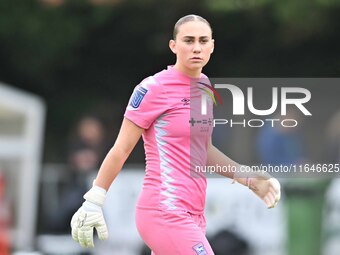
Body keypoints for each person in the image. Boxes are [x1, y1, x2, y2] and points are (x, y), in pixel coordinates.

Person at [70, 14, 281, 254]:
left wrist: (249, 180)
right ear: (174, 45)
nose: (196, 48)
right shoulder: (153, 88)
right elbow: (122, 149)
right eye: (188, 40)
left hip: (194, 215)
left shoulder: (205, 87)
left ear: (212, 45)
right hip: (164, 212)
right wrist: (94, 199)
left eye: (203, 41)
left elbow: (204, 151)